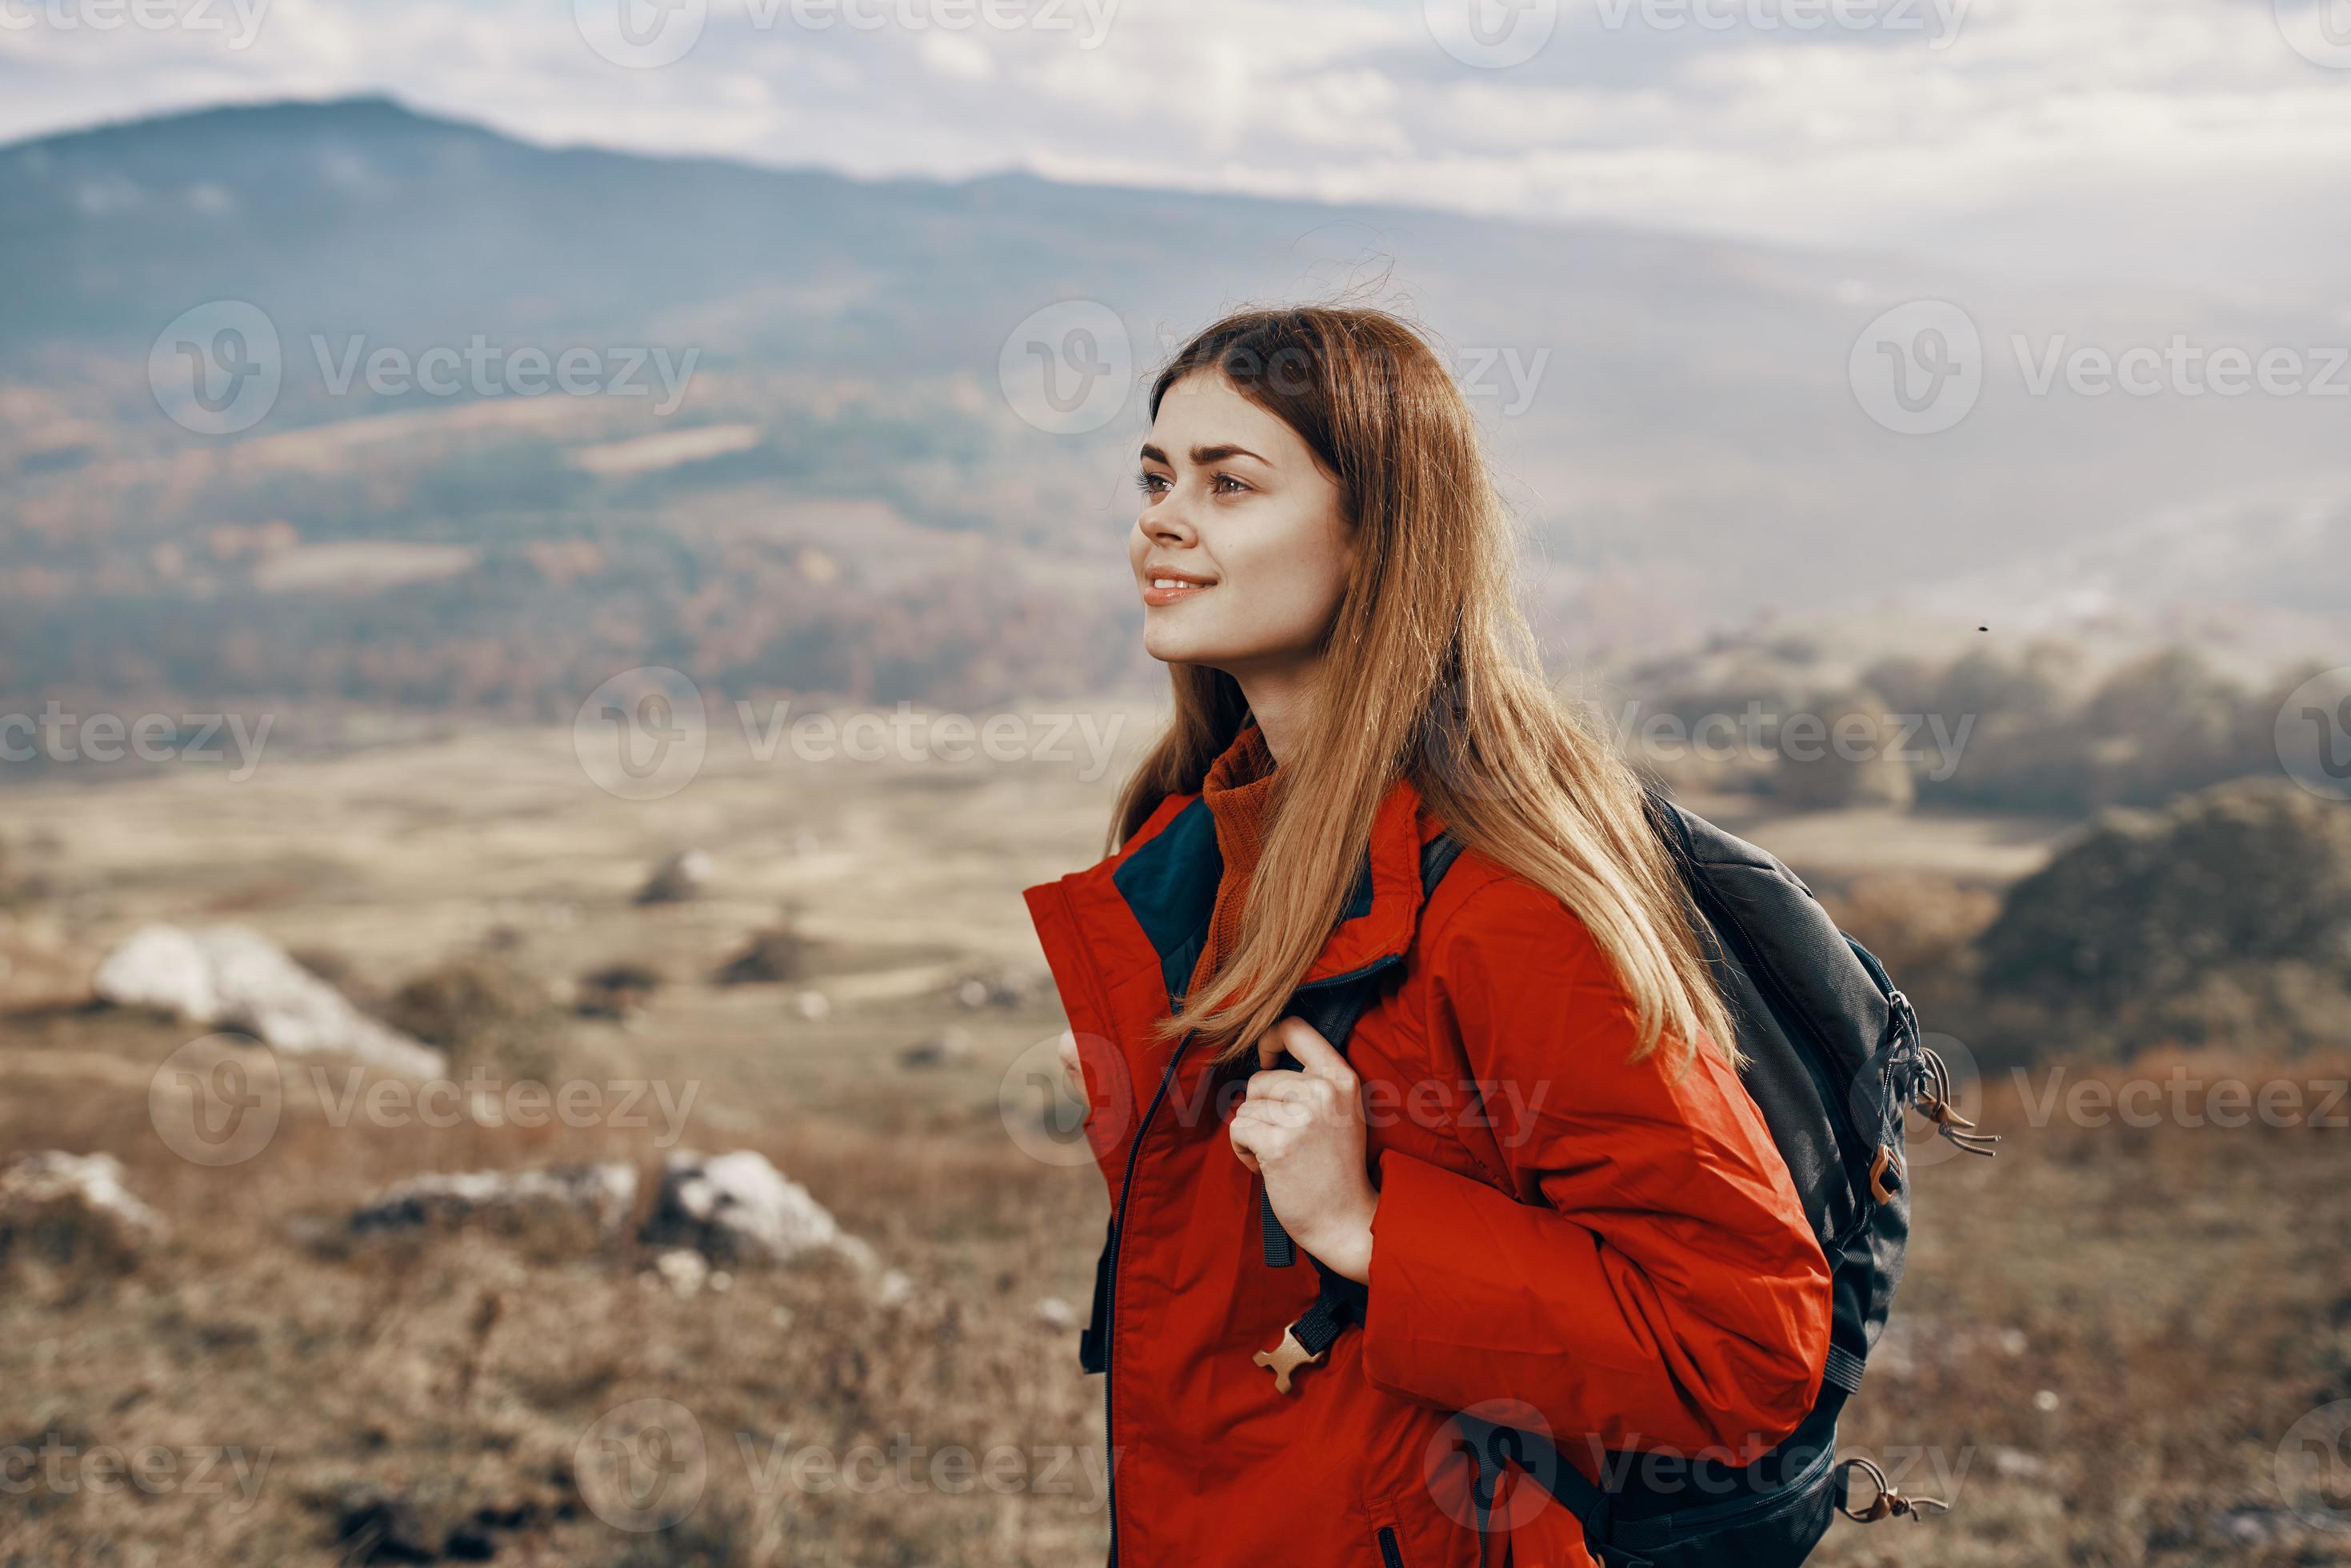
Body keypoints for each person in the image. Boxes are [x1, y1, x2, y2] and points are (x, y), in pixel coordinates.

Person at [1022, 306, 1830, 1567]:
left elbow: (1738, 1347)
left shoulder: (1510, 903)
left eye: (1230, 483)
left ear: (1378, 534)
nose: (1161, 520)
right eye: (1156, 477)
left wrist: (1372, 1230)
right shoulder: (1206, 845)